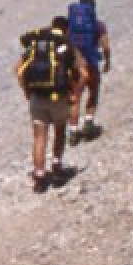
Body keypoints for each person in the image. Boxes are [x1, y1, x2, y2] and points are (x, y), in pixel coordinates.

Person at [17, 16, 84, 193]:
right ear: (66, 29)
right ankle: (56, 165)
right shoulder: (66, 47)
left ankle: (39, 176)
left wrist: (27, 92)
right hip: (59, 98)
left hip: (37, 98)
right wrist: (75, 95)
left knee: (39, 137)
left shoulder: (36, 47)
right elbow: (81, 74)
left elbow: (18, 71)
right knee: (59, 131)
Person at [65, 0, 111, 143]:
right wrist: (107, 60)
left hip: (76, 67)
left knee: (75, 98)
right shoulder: (98, 25)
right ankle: (88, 123)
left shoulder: (71, 26)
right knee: (93, 91)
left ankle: (73, 131)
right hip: (91, 63)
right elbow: (105, 46)